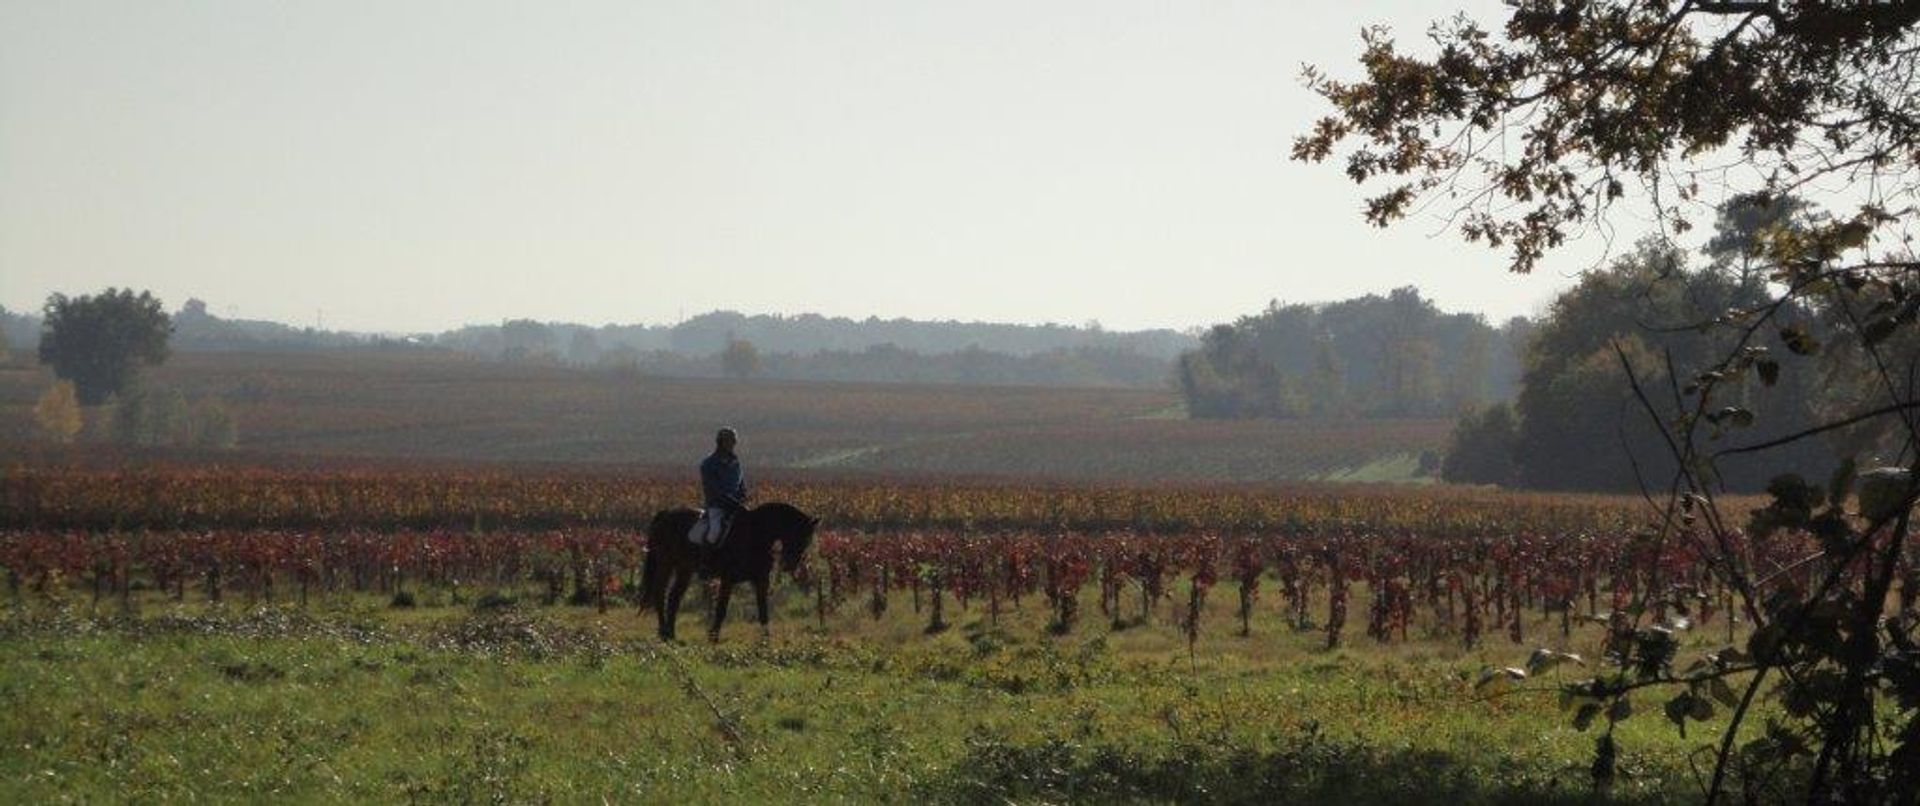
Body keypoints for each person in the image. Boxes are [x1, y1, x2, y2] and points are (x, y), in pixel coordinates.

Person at [696, 427, 748, 573]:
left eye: (733, 442)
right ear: (721, 442)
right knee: (714, 531)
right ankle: (705, 564)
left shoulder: (735, 462)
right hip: (717, 506)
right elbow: (712, 488)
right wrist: (728, 500)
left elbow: (741, 482)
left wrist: (742, 494)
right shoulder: (709, 463)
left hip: (735, 505)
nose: (731, 444)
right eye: (728, 442)